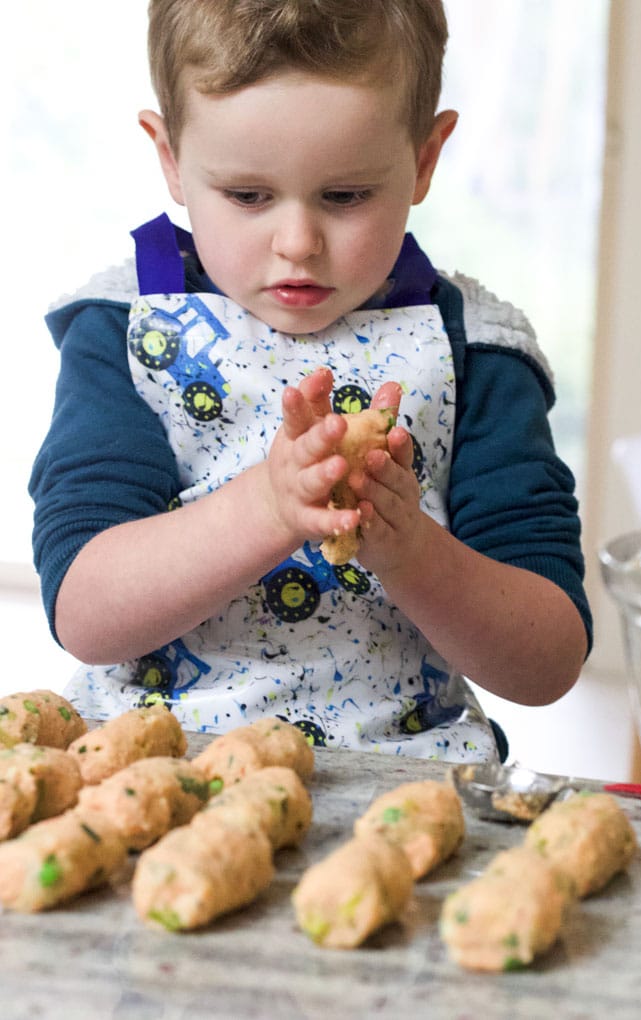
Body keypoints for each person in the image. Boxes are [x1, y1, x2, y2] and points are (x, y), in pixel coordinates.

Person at [30, 0, 591, 762]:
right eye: (249, 196)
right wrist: (268, 506)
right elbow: (85, 613)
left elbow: (548, 659)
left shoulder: (478, 356)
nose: (297, 244)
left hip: (401, 779)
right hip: (154, 764)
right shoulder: (122, 333)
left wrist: (408, 549)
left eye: (346, 196)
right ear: (171, 159)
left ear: (425, 159)